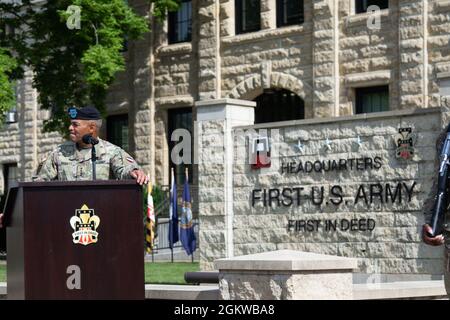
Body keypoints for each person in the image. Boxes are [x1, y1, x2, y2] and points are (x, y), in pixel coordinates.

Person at [0, 106, 149, 228]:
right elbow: (37, 186)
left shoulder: (112, 152)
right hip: (64, 223)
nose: (70, 128)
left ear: (91, 128)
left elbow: (124, 171)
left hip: (103, 223)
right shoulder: (59, 153)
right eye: (70, 123)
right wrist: (13, 214)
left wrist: (134, 172)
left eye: (75, 124)